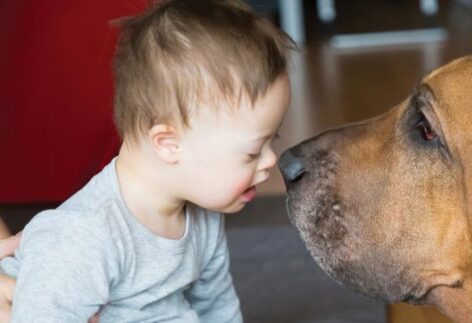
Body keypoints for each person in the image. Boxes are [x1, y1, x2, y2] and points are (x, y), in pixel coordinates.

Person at [0, 0, 294, 321]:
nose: (270, 161)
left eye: (272, 141)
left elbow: (218, 306)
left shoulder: (202, 215)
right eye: (252, 152)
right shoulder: (84, 238)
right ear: (168, 144)